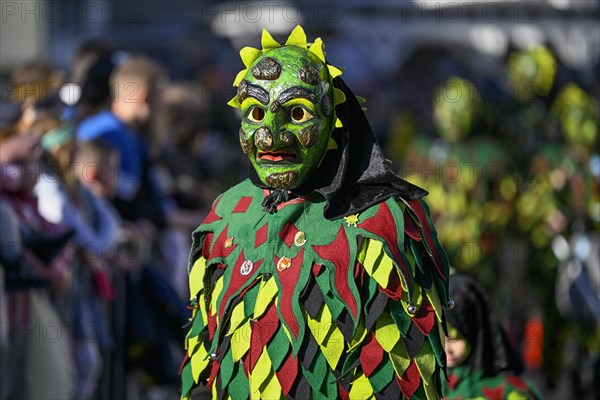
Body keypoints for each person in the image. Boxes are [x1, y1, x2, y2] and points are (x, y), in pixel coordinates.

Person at [180, 26, 451, 399]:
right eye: (256, 112)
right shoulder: (227, 214)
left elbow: (402, 372)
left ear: (332, 120)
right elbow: (205, 352)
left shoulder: (381, 221)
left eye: (296, 113)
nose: (270, 136)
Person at [443, 274, 542, 399]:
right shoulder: (432, 382)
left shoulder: (508, 390)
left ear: (474, 333)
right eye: (439, 340)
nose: (447, 349)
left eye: (453, 339)